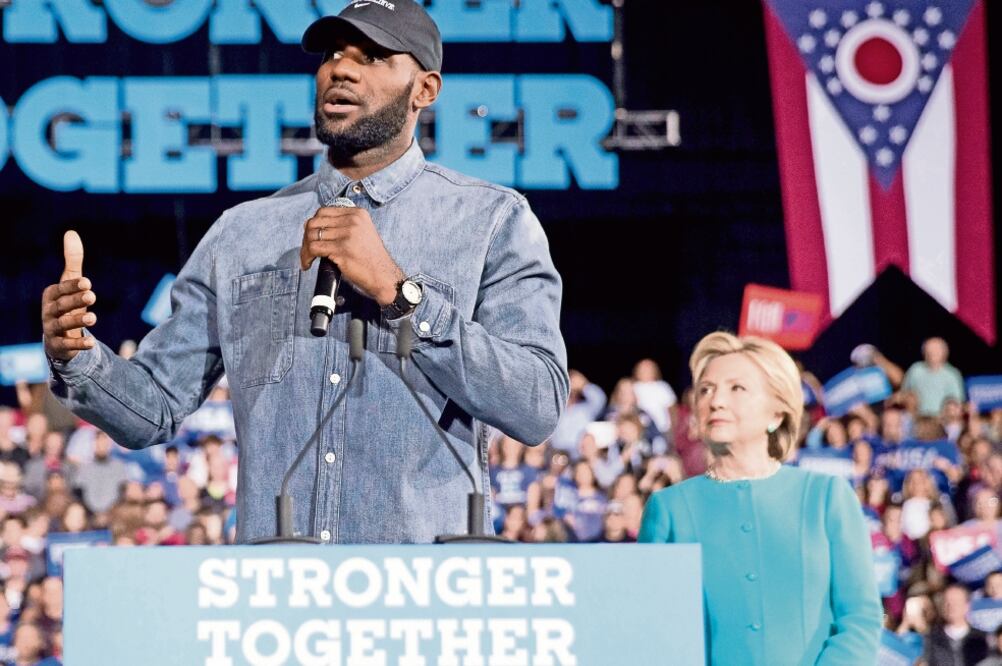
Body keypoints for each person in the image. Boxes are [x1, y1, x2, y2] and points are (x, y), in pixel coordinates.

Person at [41, 0, 568, 544]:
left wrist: (399, 291)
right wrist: (78, 357)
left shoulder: (491, 221)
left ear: (425, 90)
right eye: (334, 54)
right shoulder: (241, 235)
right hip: (277, 602)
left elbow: (536, 405)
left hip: (420, 601)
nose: (340, 68)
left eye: (373, 56)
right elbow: (153, 407)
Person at [639, 331, 881, 665]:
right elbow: (654, 632)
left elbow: (860, 619)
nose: (716, 400)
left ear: (777, 413)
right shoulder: (668, 509)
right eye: (706, 389)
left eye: (736, 388)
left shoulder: (827, 497)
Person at [926, 584, 989, 666]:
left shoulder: (983, 639)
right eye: (946, 601)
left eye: (956, 601)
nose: (951, 606)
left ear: (967, 606)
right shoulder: (930, 639)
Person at [903, 337, 966, 417]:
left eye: (936, 350)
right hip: (918, 419)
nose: (932, 353)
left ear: (944, 353)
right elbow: (905, 394)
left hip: (942, 420)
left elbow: (957, 402)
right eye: (929, 350)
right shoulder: (915, 370)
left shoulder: (952, 374)